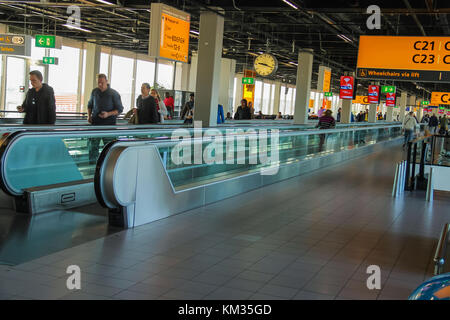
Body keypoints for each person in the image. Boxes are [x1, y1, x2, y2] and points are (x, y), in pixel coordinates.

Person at [87, 73, 124, 163]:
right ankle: (92, 167)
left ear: (106, 81)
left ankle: (107, 166)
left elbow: (120, 109)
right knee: (92, 148)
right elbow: (90, 105)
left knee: (109, 148)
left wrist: (108, 114)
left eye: (102, 83)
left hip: (109, 126)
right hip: (95, 125)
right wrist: (89, 115)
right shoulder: (94, 92)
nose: (100, 85)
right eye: (98, 83)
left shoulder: (114, 94)